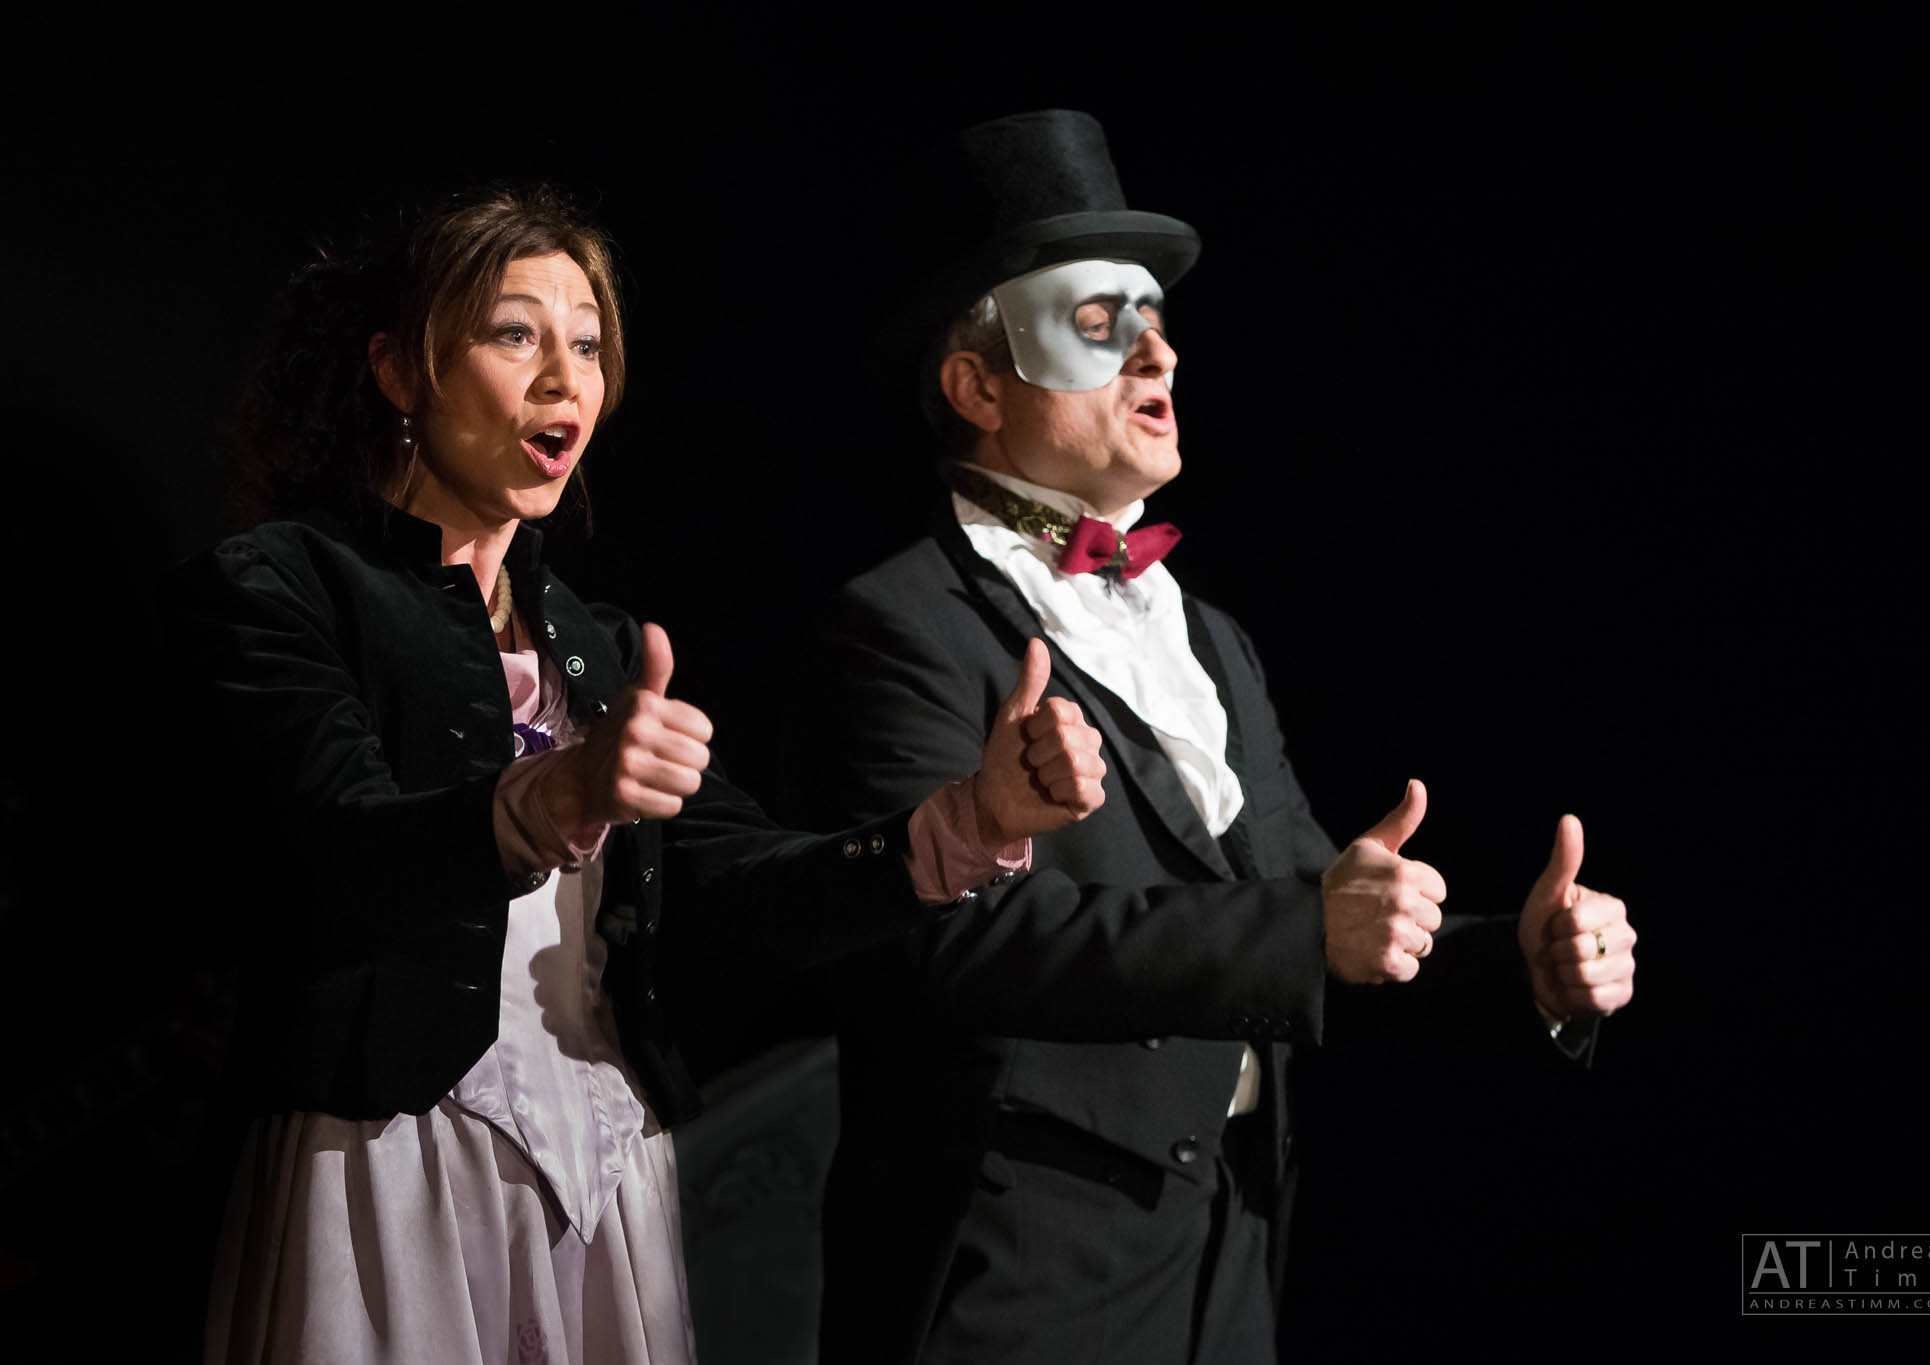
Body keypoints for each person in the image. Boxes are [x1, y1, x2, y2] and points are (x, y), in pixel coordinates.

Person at [166, 184, 1107, 1365]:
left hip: (605, 1164)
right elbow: (336, 852)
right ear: (398, 371)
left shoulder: (598, 645)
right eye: (516, 334)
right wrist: (555, 797)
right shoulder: (281, 588)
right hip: (390, 1159)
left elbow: (738, 885)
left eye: (588, 343)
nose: (566, 378)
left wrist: (966, 824)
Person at [779, 111, 1640, 1364]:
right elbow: (946, 942)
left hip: (1219, 1254)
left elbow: (1310, 913)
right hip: (1011, 1270)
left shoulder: (1209, 637)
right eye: (1096, 324)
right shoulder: (901, 623)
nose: (1156, 358)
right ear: (972, 385)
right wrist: (1304, 927)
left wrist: (1516, 964)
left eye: (1159, 325)